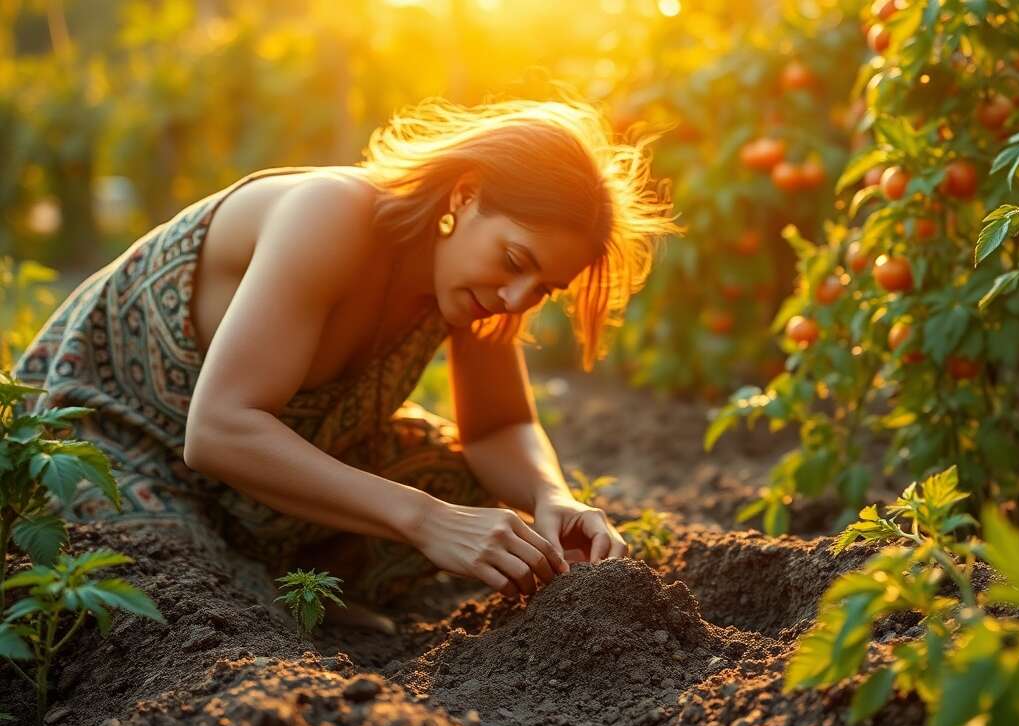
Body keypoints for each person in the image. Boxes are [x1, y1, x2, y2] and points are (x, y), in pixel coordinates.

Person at [13, 97, 678, 620]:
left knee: (471, 492)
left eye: (544, 289)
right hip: (120, 441)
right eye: (514, 261)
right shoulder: (332, 214)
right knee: (172, 591)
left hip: (261, 469)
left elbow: (497, 428)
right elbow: (217, 430)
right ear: (465, 195)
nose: (515, 297)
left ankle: (287, 584)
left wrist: (550, 497)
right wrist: (424, 520)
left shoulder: (485, 292)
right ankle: (273, 586)